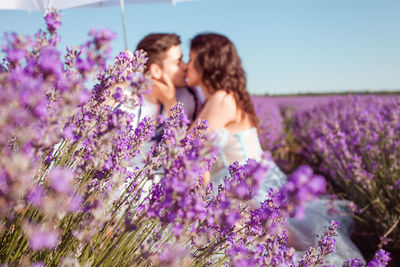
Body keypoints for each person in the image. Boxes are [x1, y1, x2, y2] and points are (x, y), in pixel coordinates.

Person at [186, 32, 364, 265]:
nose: (186, 65)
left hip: (245, 190)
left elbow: (192, 153)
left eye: (190, 58)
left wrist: (202, 206)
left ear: (206, 61)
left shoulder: (221, 99)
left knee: (267, 251)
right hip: (261, 181)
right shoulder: (232, 96)